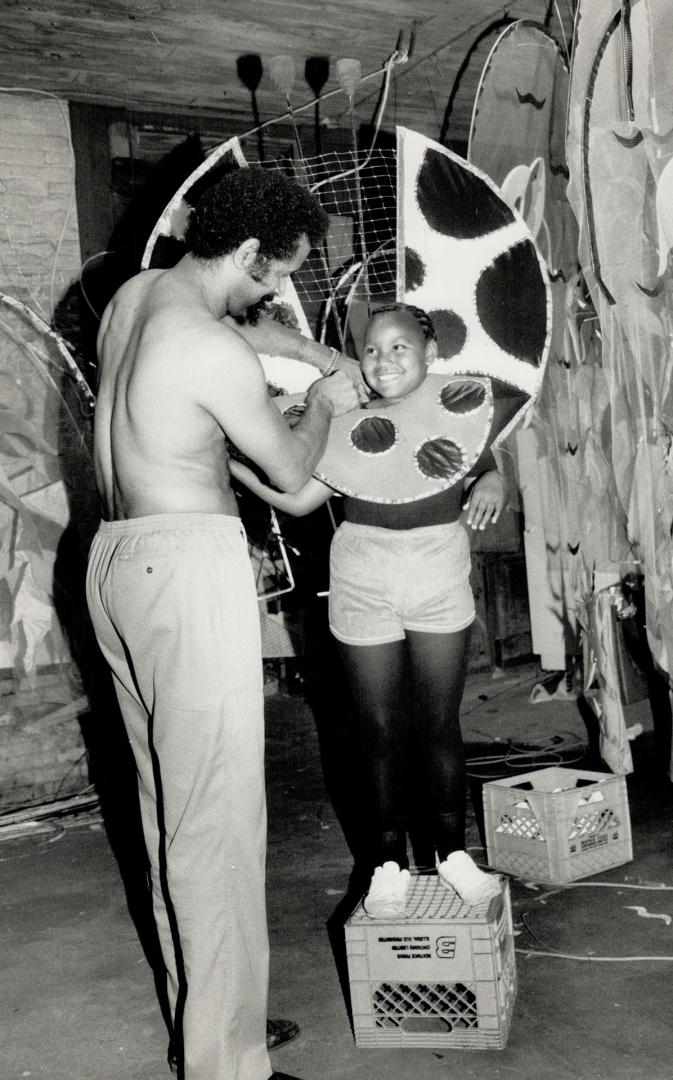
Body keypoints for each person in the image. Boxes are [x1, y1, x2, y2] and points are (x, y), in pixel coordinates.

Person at [85, 165, 363, 1080]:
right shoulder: (213, 351)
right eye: (273, 272)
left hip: (116, 560)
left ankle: (205, 1023)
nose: (276, 291)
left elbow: (245, 331)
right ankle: (229, 1067)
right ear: (245, 250)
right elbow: (293, 480)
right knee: (218, 826)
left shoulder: (138, 297)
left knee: (170, 810)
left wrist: (316, 357)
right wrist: (326, 403)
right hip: (187, 567)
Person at [230, 303, 505, 919]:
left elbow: (481, 456)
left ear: (430, 353)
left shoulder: (459, 401)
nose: (383, 361)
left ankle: (452, 853)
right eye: (372, 350)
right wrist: (232, 467)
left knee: (437, 724)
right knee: (377, 728)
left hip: (438, 572)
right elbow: (301, 499)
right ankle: (386, 864)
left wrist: (493, 481)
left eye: (399, 347)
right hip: (362, 575)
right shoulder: (346, 416)